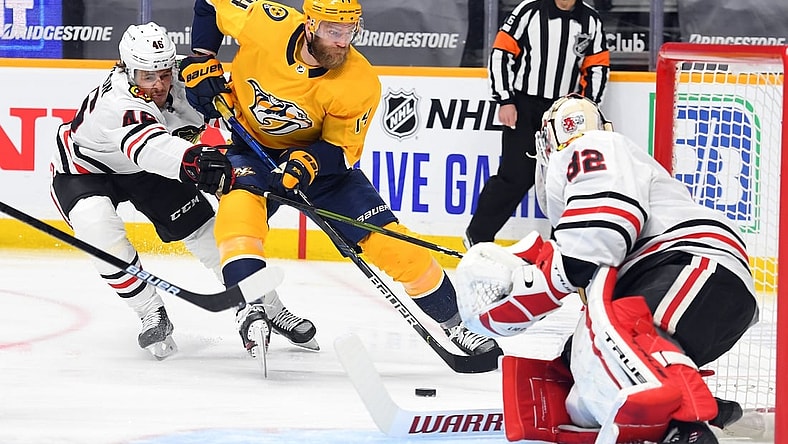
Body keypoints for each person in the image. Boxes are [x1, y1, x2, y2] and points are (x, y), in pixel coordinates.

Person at [179, 0, 501, 360]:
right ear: (310, 25)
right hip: (253, 151)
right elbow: (209, 4)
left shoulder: (358, 80)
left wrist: (304, 165)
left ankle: (456, 324)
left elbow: (342, 149)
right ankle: (252, 306)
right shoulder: (265, 24)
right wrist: (202, 57)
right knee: (238, 220)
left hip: (323, 172)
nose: (343, 41)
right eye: (334, 30)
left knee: (399, 250)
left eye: (350, 30)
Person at [455, 95, 758, 443]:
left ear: (549, 137)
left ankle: (684, 424)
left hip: (689, 265)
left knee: (609, 348)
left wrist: (545, 278)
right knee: (582, 370)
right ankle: (689, 410)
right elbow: (593, 264)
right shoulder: (601, 155)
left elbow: (604, 224)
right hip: (688, 281)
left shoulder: (587, 147)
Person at [50, 22, 237, 359]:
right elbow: (149, 147)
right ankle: (150, 310)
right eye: (148, 77)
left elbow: (228, 112)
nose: (159, 84)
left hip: (147, 168)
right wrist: (195, 162)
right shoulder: (118, 103)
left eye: (164, 74)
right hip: (85, 169)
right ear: (128, 69)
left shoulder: (185, 79)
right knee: (98, 232)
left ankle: (262, 304)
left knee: (207, 231)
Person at [464, 0, 609, 248]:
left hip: (564, 111)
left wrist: (589, 110)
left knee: (566, 179)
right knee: (515, 175)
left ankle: (562, 244)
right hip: (524, 105)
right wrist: (505, 99)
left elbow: (596, 68)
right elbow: (501, 53)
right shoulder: (529, 11)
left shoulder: (591, 20)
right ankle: (478, 236)